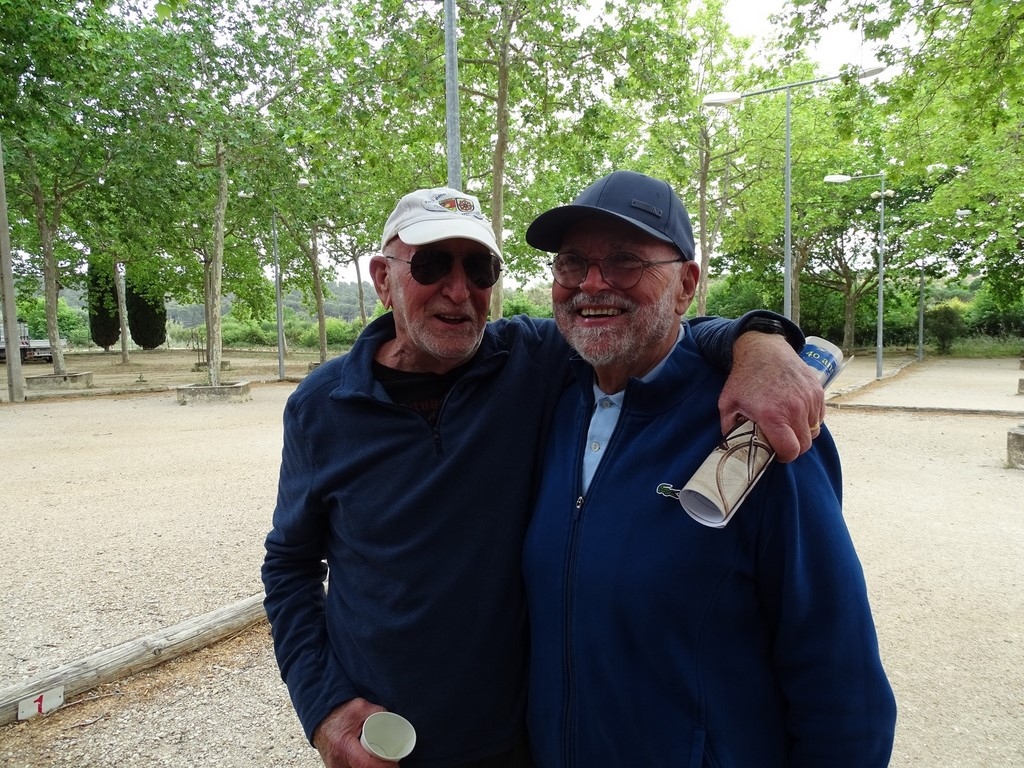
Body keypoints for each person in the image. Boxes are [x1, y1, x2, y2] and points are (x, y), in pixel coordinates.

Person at [262, 185, 826, 768]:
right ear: (383, 278)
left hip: (517, 744)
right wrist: (323, 707)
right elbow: (289, 566)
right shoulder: (322, 406)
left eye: (479, 269)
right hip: (381, 743)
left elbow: (653, 326)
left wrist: (760, 343)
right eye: (430, 265)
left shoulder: (529, 359)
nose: (458, 290)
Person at [521, 170, 897, 767]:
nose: (592, 284)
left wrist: (760, 341)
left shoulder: (758, 423)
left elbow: (841, 681)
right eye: (572, 263)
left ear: (686, 285)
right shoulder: (549, 400)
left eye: (625, 261)